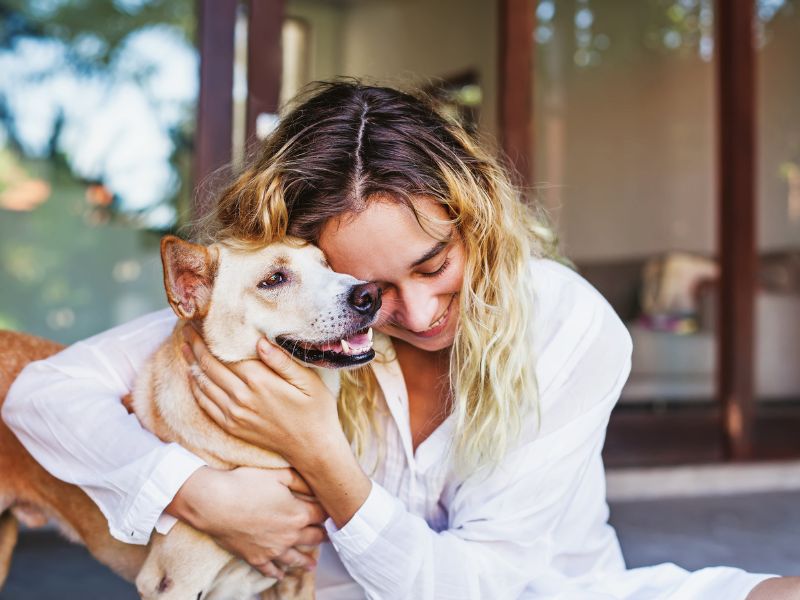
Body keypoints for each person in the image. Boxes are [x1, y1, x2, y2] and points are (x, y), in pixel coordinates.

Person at [2, 81, 795, 599]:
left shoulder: (566, 321)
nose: (418, 315)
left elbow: (475, 585)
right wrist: (200, 491)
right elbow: (41, 394)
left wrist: (320, 453)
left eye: (435, 264)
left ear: (474, 215)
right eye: (369, 293)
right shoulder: (292, 315)